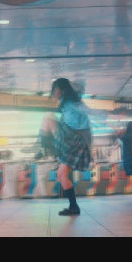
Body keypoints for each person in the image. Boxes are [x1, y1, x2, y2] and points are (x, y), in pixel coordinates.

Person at [38, 78, 92, 216]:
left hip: (74, 140)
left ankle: (44, 150)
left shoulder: (72, 103)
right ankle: (74, 207)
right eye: (53, 91)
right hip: (71, 139)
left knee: (48, 118)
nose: (54, 93)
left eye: (55, 90)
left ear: (62, 90)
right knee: (61, 175)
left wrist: (109, 113)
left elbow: (88, 110)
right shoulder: (66, 104)